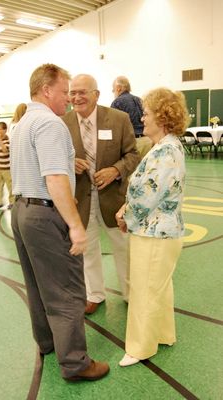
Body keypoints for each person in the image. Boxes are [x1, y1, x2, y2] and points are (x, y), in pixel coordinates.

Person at [10, 64, 109, 382]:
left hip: (21, 211)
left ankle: (48, 343)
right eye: (65, 91)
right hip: (44, 215)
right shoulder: (50, 124)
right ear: (46, 90)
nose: (69, 98)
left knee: (38, 285)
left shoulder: (23, 123)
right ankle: (76, 363)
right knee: (66, 291)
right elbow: (54, 179)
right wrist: (76, 225)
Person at [115, 87, 189, 367]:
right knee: (158, 287)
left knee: (145, 289)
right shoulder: (163, 147)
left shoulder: (166, 151)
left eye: (146, 114)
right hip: (157, 231)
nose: (142, 118)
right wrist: (127, 208)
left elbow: (147, 196)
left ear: (162, 117)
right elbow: (143, 191)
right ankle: (161, 333)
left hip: (154, 233)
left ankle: (140, 347)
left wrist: (125, 216)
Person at [62, 74, 140, 314]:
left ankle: (130, 293)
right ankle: (94, 293)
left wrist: (115, 170)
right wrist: (69, 162)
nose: (77, 97)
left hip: (113, 198)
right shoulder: (61, 123)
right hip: (81, 200)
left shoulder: (118, 119)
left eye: (82, 92)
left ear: (96, 94)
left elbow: (133, 155)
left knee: (123, 248)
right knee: (88, 250)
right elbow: (54, 159)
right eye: (72, 92)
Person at [111, 76, 152, 158]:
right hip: (148, 141)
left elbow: (113, 127)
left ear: (118, 88)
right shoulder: (139, 99)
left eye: (113, 90)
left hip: (133, 144)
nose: (113, 92)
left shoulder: (117, 102)